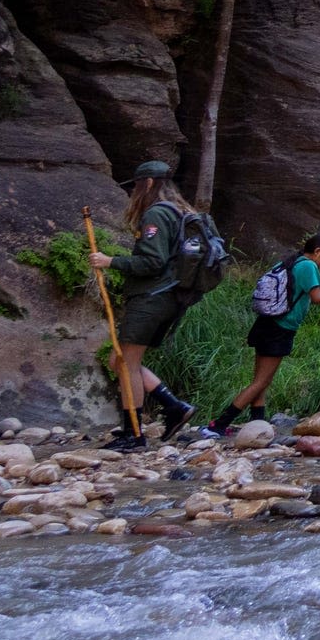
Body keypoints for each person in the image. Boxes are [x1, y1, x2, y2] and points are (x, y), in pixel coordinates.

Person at [88, 160, 216, 447]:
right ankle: (174, 408)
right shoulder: (180, 211)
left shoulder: (156, 214)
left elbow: (152, 261)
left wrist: (110, 262)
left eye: (136, 184)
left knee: (127, 361)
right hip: (171, 298)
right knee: (118, 360)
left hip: (152, 298)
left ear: (147, 184)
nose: (134, 190)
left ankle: (134, 434)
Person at [213, 233, 320, 434]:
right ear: (317, 251)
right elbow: (317, 297)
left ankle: (257, 426)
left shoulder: (291, 261)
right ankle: (219, 425)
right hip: (280, 328)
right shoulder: (308, 265)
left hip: (265, 324)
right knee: (261, 381)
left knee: (261, 380)